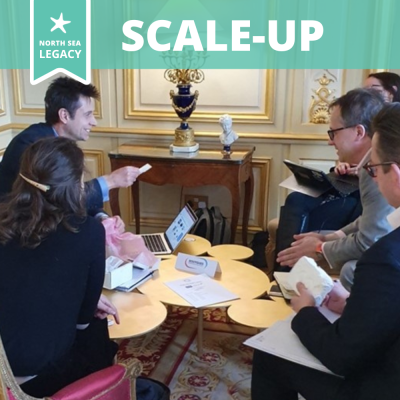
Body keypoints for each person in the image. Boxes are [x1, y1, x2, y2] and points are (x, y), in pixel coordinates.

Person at [251, 102, 400, 400]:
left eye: (373, 169)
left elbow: (340, 355)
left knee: (268, 356)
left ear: (394, 174)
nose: (370, 176)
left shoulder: (384, 258)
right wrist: (351, 305)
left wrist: (304, 311)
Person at [268, 72, 400, 277]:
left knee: (350, 271)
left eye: (333, 132)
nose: (330, 141)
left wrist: (320, 249)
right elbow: (369, 220)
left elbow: (370, 238)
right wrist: (330, 237)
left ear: (358, 132)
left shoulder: (377, 167)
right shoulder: (371, 161)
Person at [0, 76, 140, 217]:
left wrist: (101, 217)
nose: (94, 122)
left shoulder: (58, 141)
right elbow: (58, 203)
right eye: (87, 115)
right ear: (64, 115)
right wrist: (111, 181)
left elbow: (72, 192)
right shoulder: (32, 147)